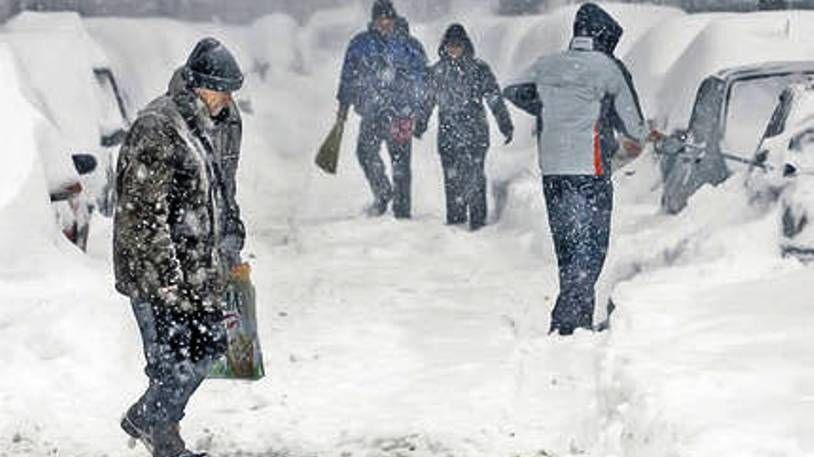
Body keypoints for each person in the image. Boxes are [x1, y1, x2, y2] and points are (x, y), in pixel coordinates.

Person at [114, 37, 245, 457]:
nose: (226, 99)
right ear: (195, 85)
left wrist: (232, 239)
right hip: (156, 271)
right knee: (171, 361)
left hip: (200, 267)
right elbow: (142, 214)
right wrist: (165, 280)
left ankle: (144, 417)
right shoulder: (159, 127)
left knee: (210, 345)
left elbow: (223, 189)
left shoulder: (220, 121)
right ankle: (165, 439)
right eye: (219, 90)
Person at [504, 3, 658, 335]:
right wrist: (648, 133)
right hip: (591, 168)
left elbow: (513, 89)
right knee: (591, 244)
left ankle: (575, 318)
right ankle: (569, 322)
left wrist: (549, 106)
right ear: (604, 36)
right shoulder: (607, 68)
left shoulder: (546, 65)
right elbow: (633, 124)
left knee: (568, 244)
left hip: (553, 170)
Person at [336, 0, 428, 219]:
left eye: (388, 19)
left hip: (401, 115)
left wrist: (419, 109)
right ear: (374, 21)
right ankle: (383, 191)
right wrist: (343, 105)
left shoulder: (410, 46)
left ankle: (403, 211)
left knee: (401, 164)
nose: (384, 23)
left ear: (395, 20)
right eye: (380, 19)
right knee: (365, 153)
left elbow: (424, 79)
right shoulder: (360, 44)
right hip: (372, 111)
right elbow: (348, 76)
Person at [418, 23, 514, 231]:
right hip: (448, 135)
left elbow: (494, 98)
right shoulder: (436, 72)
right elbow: (426, 102)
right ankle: (456, 220)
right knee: (452, 179)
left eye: (458, 45)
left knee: (475, 176)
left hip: (475, 134)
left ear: (465, 45)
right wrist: (420, 123)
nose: (454, 49)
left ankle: (478, 221)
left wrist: (505, 124)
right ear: (444, 46)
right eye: (450, 45)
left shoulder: (479, 70)